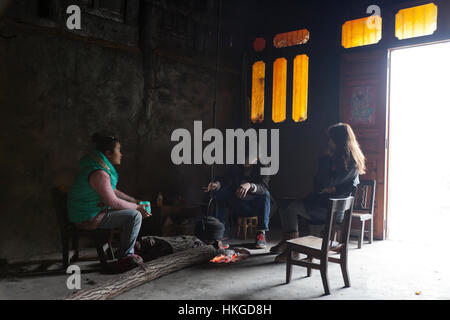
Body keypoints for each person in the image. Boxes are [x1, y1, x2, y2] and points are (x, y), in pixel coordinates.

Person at [271, 123, 366, 262]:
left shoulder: (349, 163)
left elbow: (326, 183)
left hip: (331, 210)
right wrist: (330, 187)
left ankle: (292, 249)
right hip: (324, 204)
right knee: (286, 204)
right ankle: (289, 244)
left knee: (289, 207)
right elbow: (319, 186)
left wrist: (325, 168)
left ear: (339, 140)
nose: (329, 142)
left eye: (331, 139)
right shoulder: (339, 160)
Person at [67, 133, 152, 272]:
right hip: (87, 217)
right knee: (135, 215)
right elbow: (112, 201)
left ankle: (126, 247)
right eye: (119, 150)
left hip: (91, 210)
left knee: (132, 212)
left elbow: (113, 191)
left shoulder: (97, 166)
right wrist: (137, 207)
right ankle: (125, 257)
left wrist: (134, 201)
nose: (121, 154)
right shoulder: (99, 173)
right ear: (108, 153)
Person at [204, 156, 271, 249]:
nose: (245, 160)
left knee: (266, 194)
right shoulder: (236, 166)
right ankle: (219, 234)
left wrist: (251, 185)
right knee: (219, 193)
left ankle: (261, 233)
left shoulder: (264, 165)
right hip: (237, 202)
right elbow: (225, 179)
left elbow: (264, 186)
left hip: (254, 205)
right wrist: (217, 184)